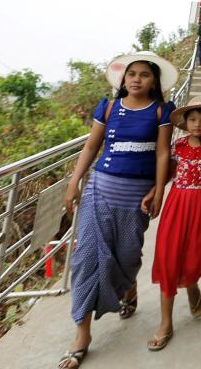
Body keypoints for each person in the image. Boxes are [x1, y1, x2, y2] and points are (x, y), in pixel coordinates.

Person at [58, 52, 178, 369]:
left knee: (127, 255)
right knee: (86, 259)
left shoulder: (161, 111)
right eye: (131, 74)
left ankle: (129, 287)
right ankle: (82, 335)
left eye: (144, 75)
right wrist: (74, 181)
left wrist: (159, 190)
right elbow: (91, 146)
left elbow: (163, 153)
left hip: (136, 196)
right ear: (123, 79)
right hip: (99, 190)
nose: (136, 79)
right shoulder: (109, 107)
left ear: (154, 82)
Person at [147, 97, 201, 351]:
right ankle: (166, 324)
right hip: (177, 203)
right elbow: (167, 175)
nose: (197, 124)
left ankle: (191, 283)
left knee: (197, 251)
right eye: (192, 119)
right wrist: (154, 192)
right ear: (185, 123)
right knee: (168, 256)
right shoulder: (177, 145)